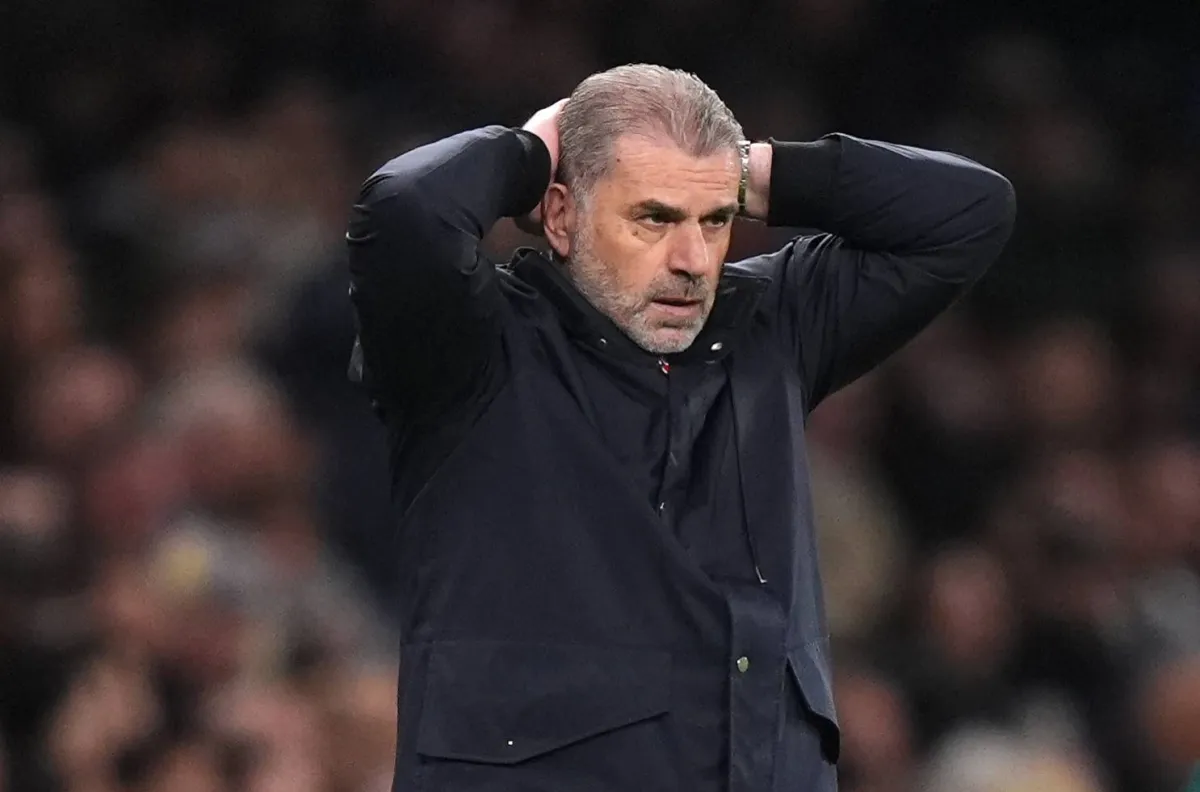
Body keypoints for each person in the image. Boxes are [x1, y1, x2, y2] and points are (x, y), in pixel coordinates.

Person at [345, 64, 1016, 792]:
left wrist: (754, 173)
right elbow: (407, 209)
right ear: (562, 216)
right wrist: (529, 153)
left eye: (716, 220)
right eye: (655, 218)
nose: (693, 261)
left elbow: (970, 212)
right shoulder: (470, 348)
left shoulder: (774, 323)